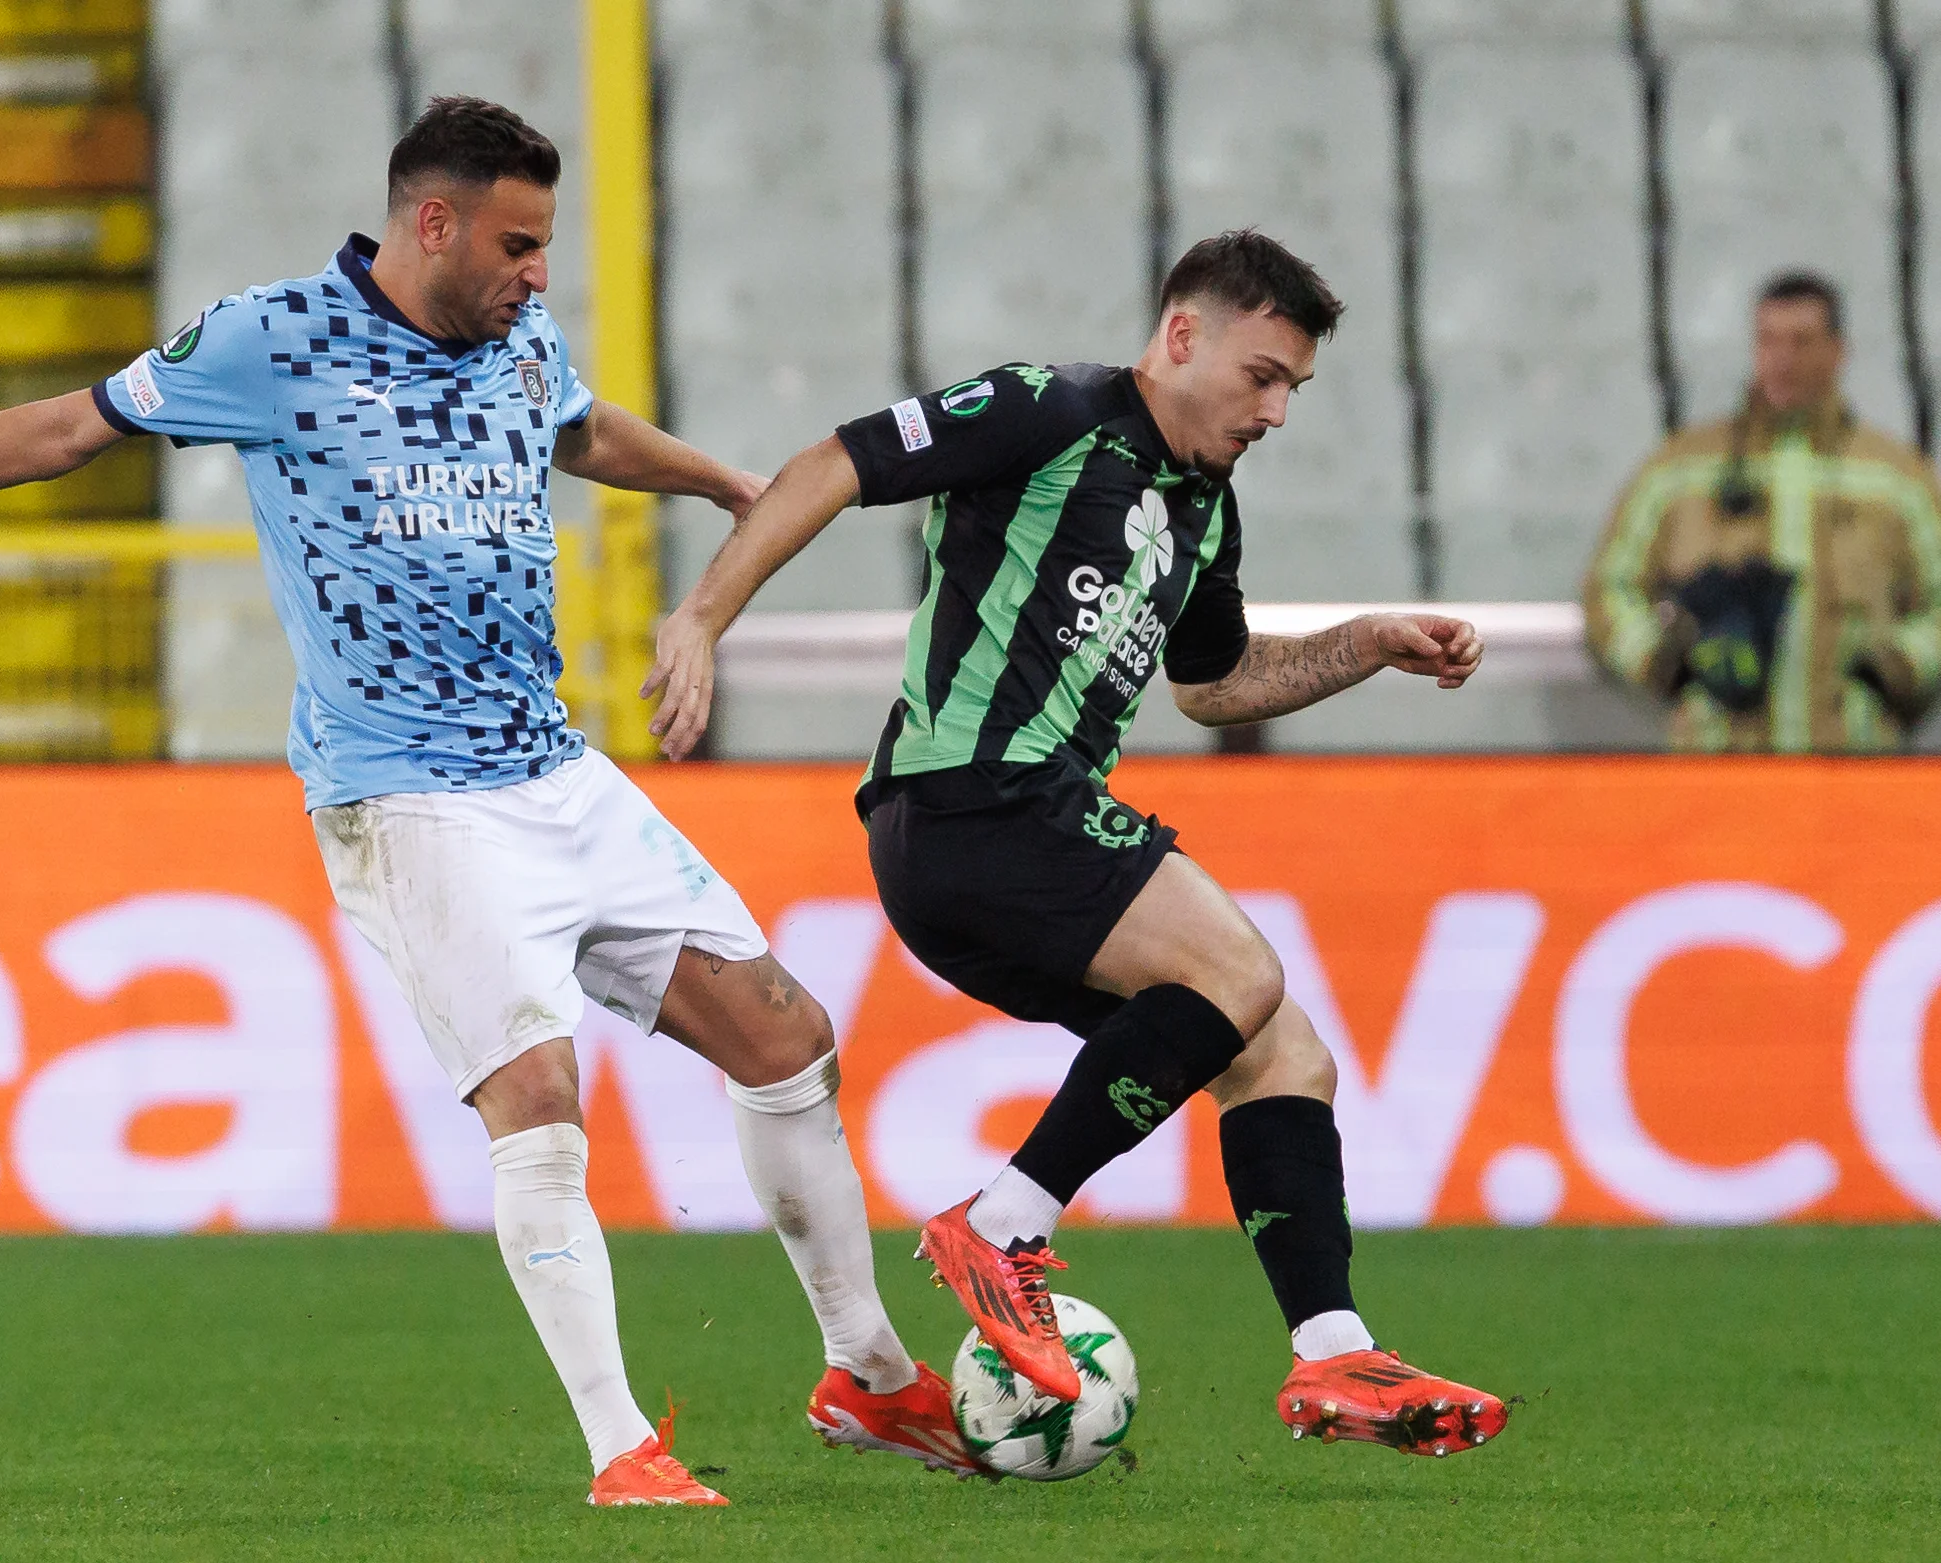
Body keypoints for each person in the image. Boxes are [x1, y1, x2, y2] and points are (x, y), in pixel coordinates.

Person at [0, 96, 964, 1506]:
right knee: (539, 1090)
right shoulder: (272, 340)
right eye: (515, 243)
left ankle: (866, 1370)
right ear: (429, 220)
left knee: (784, 1031)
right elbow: (68, 430)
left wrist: (711, 478)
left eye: (544, 246)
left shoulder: (517, 336)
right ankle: (623, 1444)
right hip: (408, 796)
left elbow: (577, 430)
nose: (535, 273)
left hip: (554, 767)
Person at [646, 230, 1508, 1457]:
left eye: (1294, 390)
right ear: (1179, 336)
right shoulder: (1044, 411)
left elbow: (1210, 686)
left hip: (1013, 834)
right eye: (1261, 375)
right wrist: (699, 616)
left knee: (1282, 1057)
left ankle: (1333, 1356)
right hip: (967, 800)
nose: (1274, 411)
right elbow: (832, 464)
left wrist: (1361, 641)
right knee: (1238, 972)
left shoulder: (1202, 507)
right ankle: (999, 1228)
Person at [1586, 271, 1941, 752]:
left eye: (1802, 341)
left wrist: (1897, 667)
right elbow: (1610, 586)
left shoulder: (1898, 479)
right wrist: (1664, 663)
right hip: (1718, 761)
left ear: (1838, 351)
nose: (1782, 358)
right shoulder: (1681, 468)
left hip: (1853, 762)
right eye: (1768, 339)